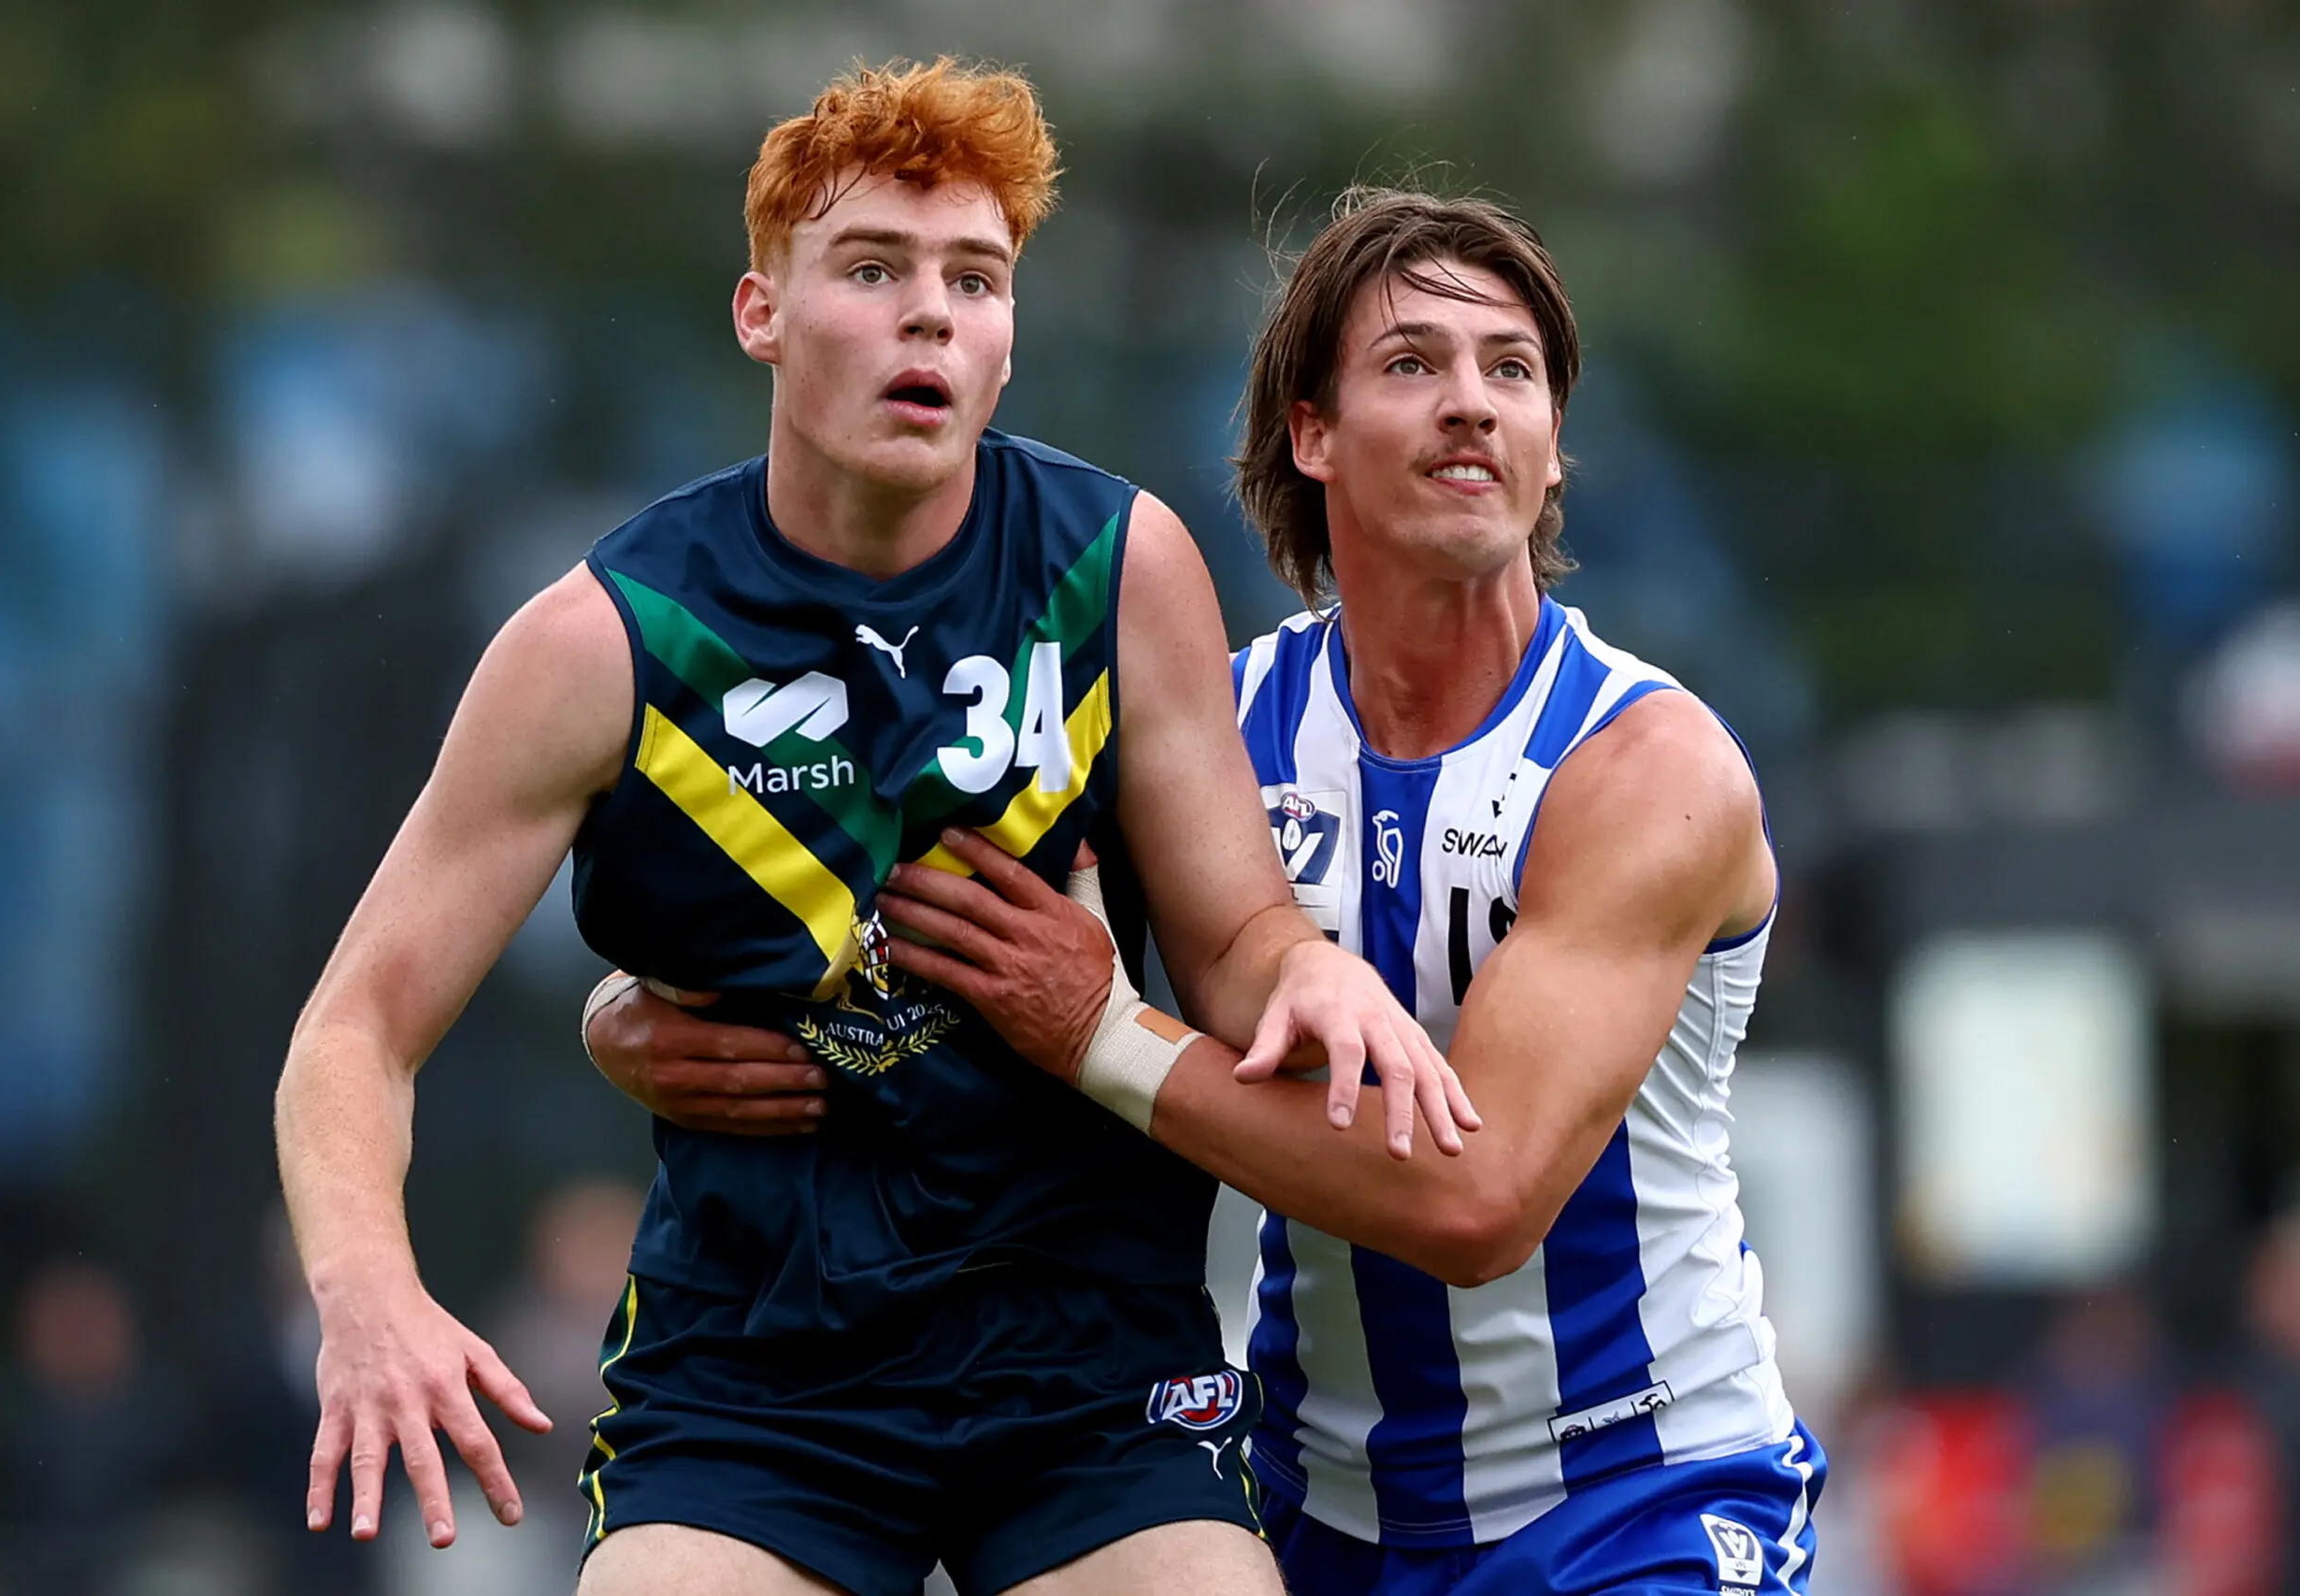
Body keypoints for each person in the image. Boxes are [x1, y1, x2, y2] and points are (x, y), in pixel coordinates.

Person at [274, 63, 1466, 1596]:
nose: (931, 317)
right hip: (756, 1375)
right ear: (761, 313)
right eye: (873, 270)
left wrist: (1308, 969)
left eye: (975, 279)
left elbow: (1239, 936)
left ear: (1009, 335)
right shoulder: (604, 639)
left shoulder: (1118, 563)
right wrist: (367, 1289)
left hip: (1088, 1362)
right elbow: (353, 1029)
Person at [593, 185, 1824, 1593]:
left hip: (1638, 1501)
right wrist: (640, 1004)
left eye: (1513, 371)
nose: (1473, 404)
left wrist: (1105, 1034)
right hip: (1314, 1507)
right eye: (1413, 363)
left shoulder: (1647, 769)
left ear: (1552, 451)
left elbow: (1479, 1204)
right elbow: (898, 911)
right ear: (1312, 435)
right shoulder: (1216, 725)